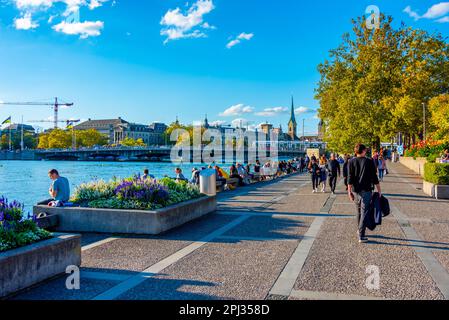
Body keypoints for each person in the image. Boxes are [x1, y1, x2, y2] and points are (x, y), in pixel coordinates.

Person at [348, 144, 381, 244]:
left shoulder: (351, 161)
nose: (366, 151)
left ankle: (359, 230)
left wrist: (349, 192)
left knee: (358, 211)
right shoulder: (369, 161)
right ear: (362, 151)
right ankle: (361, 236)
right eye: (365, 150)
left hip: (355, 190)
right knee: (364, 212)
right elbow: (374, 178)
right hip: (366, 190)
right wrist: (379, 190)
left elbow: (350, 178)